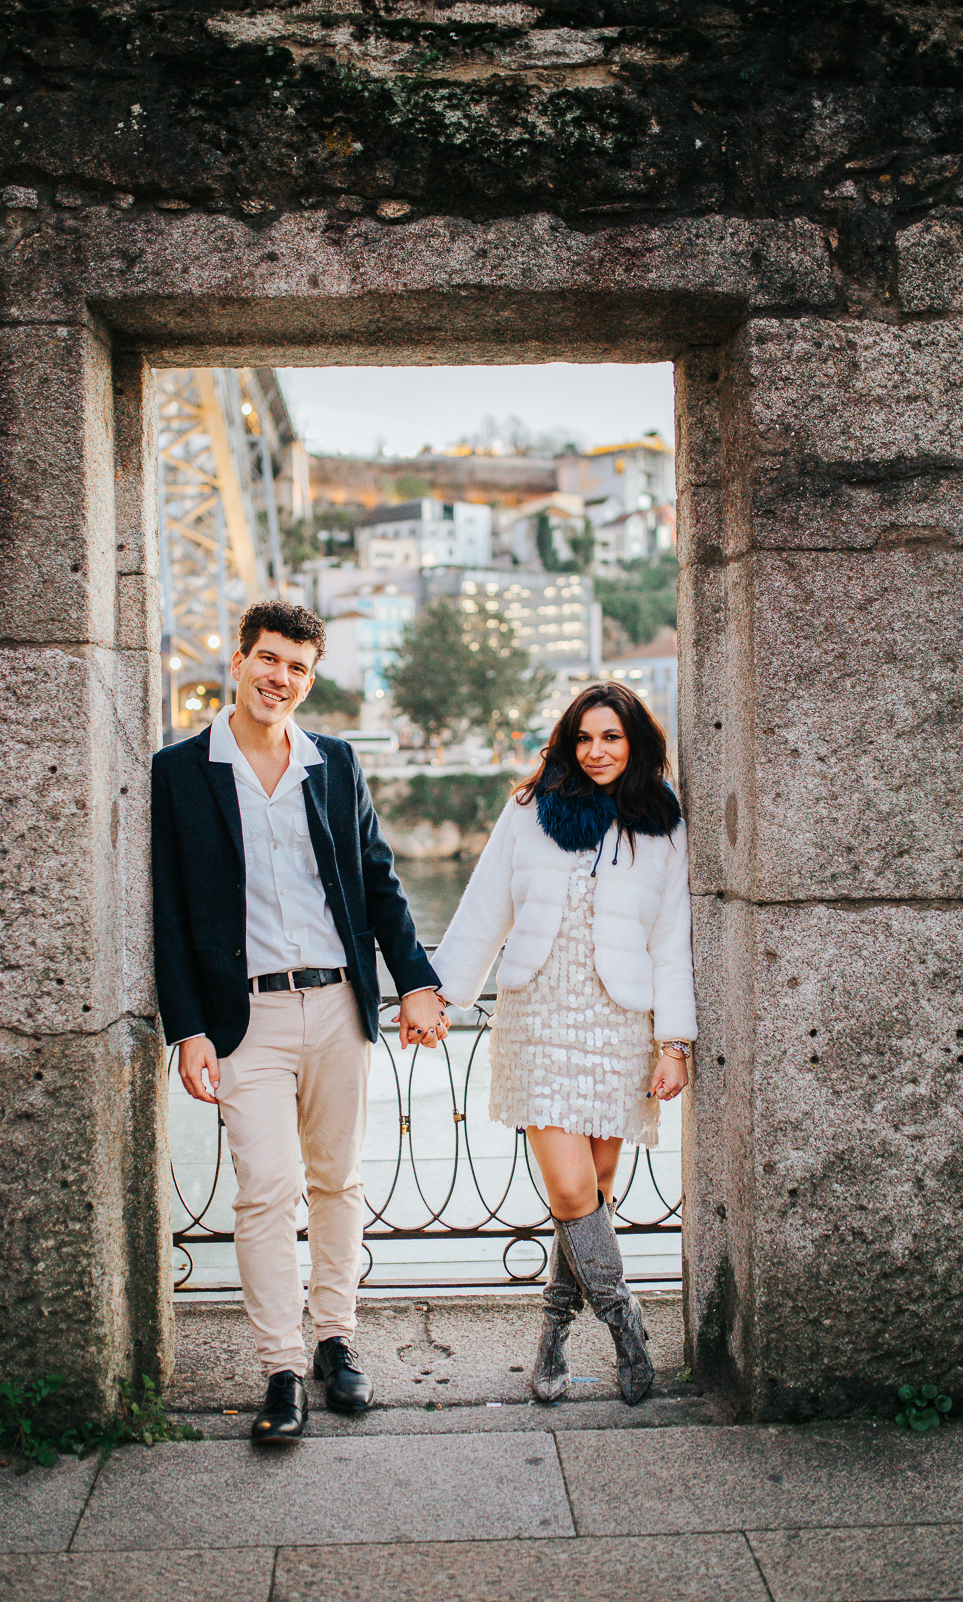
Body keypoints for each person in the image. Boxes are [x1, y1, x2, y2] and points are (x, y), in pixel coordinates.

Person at [152, 601, 447, 1443]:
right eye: (270, 660)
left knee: (338, 1183)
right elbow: (169, 912)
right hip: (244, 1018)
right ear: (238, 663)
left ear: (310, 679)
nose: (282, 678)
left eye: (299, 668)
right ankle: (280, 1367)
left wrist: (416, 983)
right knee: (266, 1193)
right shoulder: (180, 772)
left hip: (339, 1006)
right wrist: (189, 1029)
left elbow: (378, 881)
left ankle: (334, 1340)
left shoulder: (336, 763)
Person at [431, 683, 695, 1406]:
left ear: (636, 743)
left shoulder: (664, 826)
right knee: (573, 1188)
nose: (597, 751)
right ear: (567, 742)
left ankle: (551, 1332)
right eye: (585, 738)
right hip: (539, 1017)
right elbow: (486, 905)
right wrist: (439, 994)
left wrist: (673, 1043)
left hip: (618, 1026)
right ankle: (624, 1322)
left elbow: (673, 944)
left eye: (611, 737)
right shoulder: (528, 812)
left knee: (595, 1198)